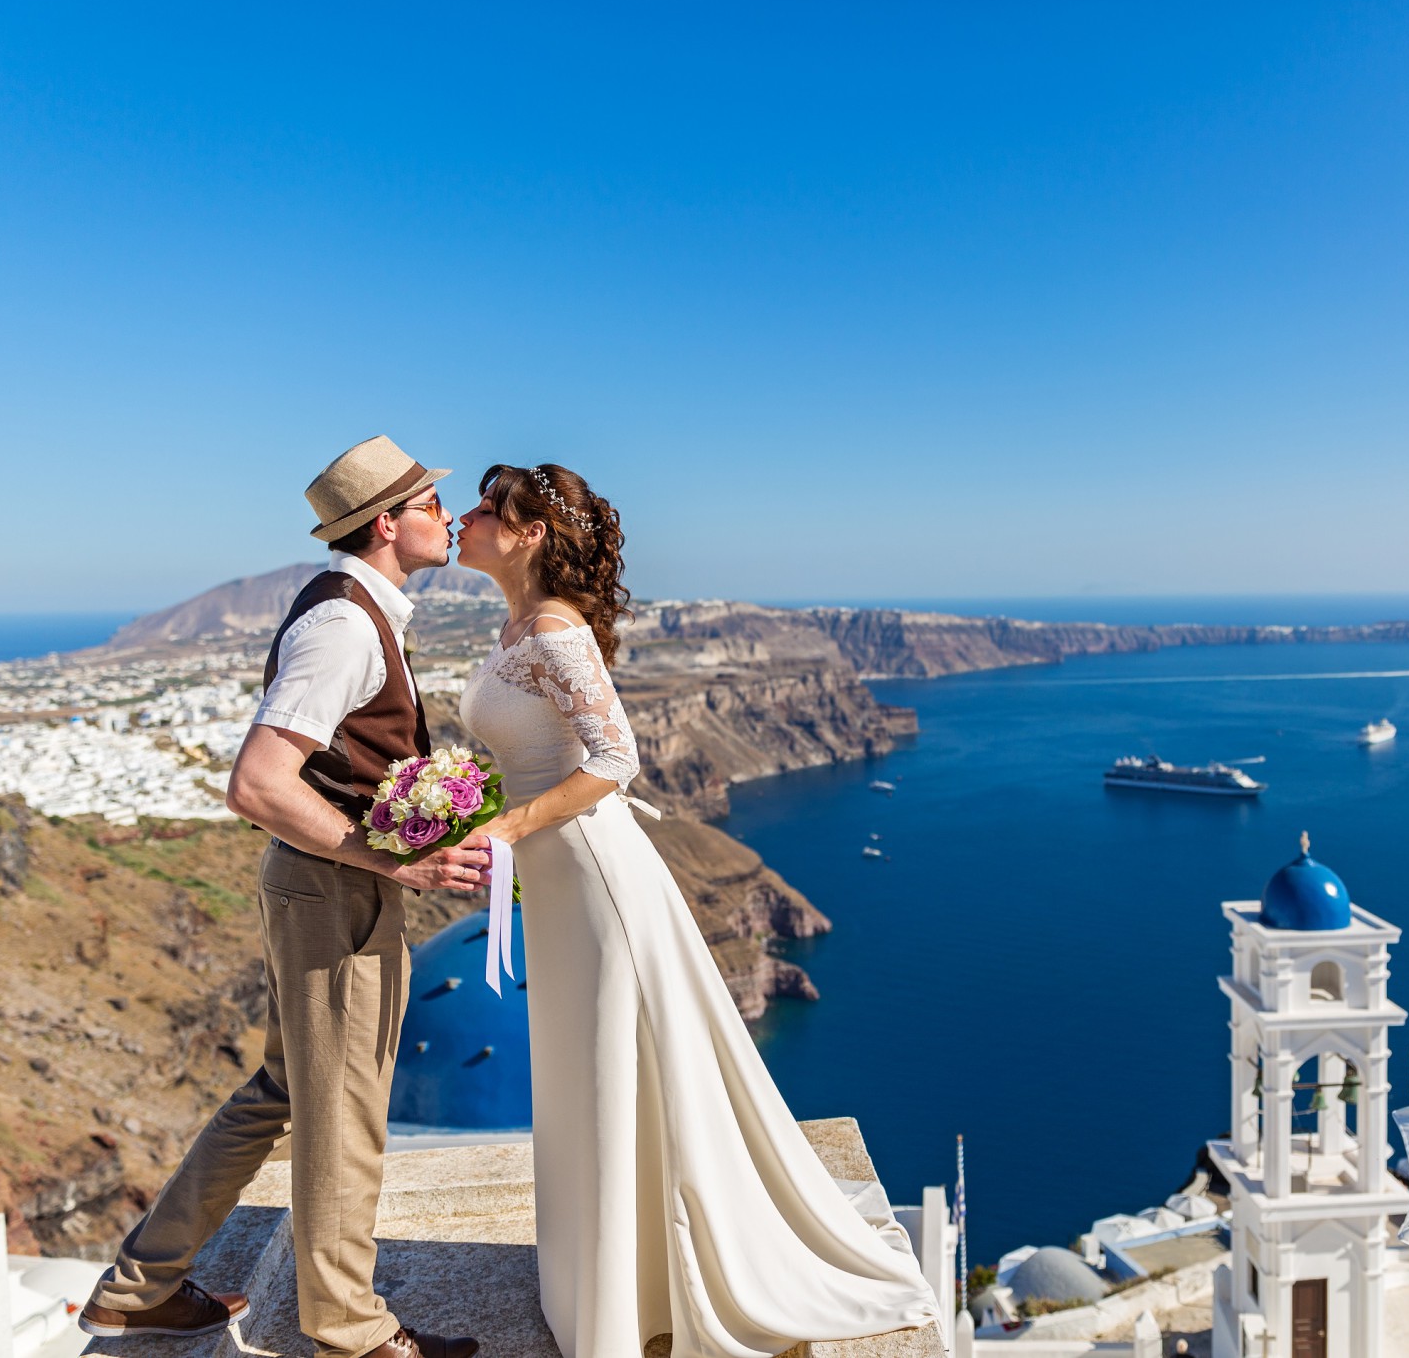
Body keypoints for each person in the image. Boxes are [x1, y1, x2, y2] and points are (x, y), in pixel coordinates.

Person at [453, 462, 941, 1358]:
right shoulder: (515, 624)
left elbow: (616, 757)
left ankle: (632, 1296)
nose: (465, 518)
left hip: (593, 875)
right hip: (557, 876)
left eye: (488, 509)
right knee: (579, 1068)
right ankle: (597, 1280)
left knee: (610, 1066)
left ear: (528, 535)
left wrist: (509, 826)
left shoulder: (555, 631)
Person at [82, 435, 492, 1358]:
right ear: (389, 524)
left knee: (282, 1089)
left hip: (318, 883)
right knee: (340, 1109)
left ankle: (138, 1286)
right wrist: (394, 864)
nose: (449, 518)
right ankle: (349, 1330)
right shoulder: (346, 625)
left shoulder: (355, 609)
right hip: (332, 889)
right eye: (432, 505)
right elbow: (259, 781)